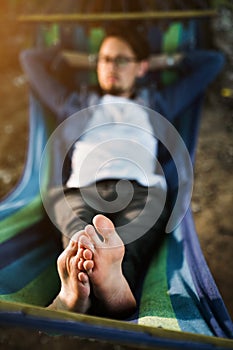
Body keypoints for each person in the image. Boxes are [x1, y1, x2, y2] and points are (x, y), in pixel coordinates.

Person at [20, 25, 224, 318]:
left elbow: (212, 62)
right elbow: (30, 59)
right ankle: (86, 281)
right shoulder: (76, 104)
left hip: (142, 190)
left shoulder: (156, 103)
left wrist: (157, 62)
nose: (111, 67)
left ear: (141, 67)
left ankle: (105, 285)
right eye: (104, 59)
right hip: (82, 187)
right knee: (80, 232)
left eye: (121, 60)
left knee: (125, 244)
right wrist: (75, 57)